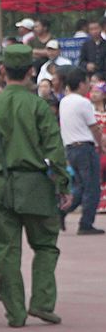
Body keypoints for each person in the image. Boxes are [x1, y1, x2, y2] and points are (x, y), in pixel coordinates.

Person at [0, 43, 71, 327]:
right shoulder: (39, 105)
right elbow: (55, 149)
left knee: (6, 250)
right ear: (30, 71)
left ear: (2, 70)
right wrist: (63, 184)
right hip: (36, 184)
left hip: (0, 184)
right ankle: (41, 303)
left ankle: (15, 313)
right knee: (46, 246)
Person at [59, 68, 102, 235]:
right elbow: (94, 127)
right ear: (81, 84)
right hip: (85, 147)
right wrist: (101, 144)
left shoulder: (64, 101)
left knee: (80, 186)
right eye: (87, 82)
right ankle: (86, 223)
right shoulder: (84, 102)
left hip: (71, 148)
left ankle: (62, 211)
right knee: (92, 187)